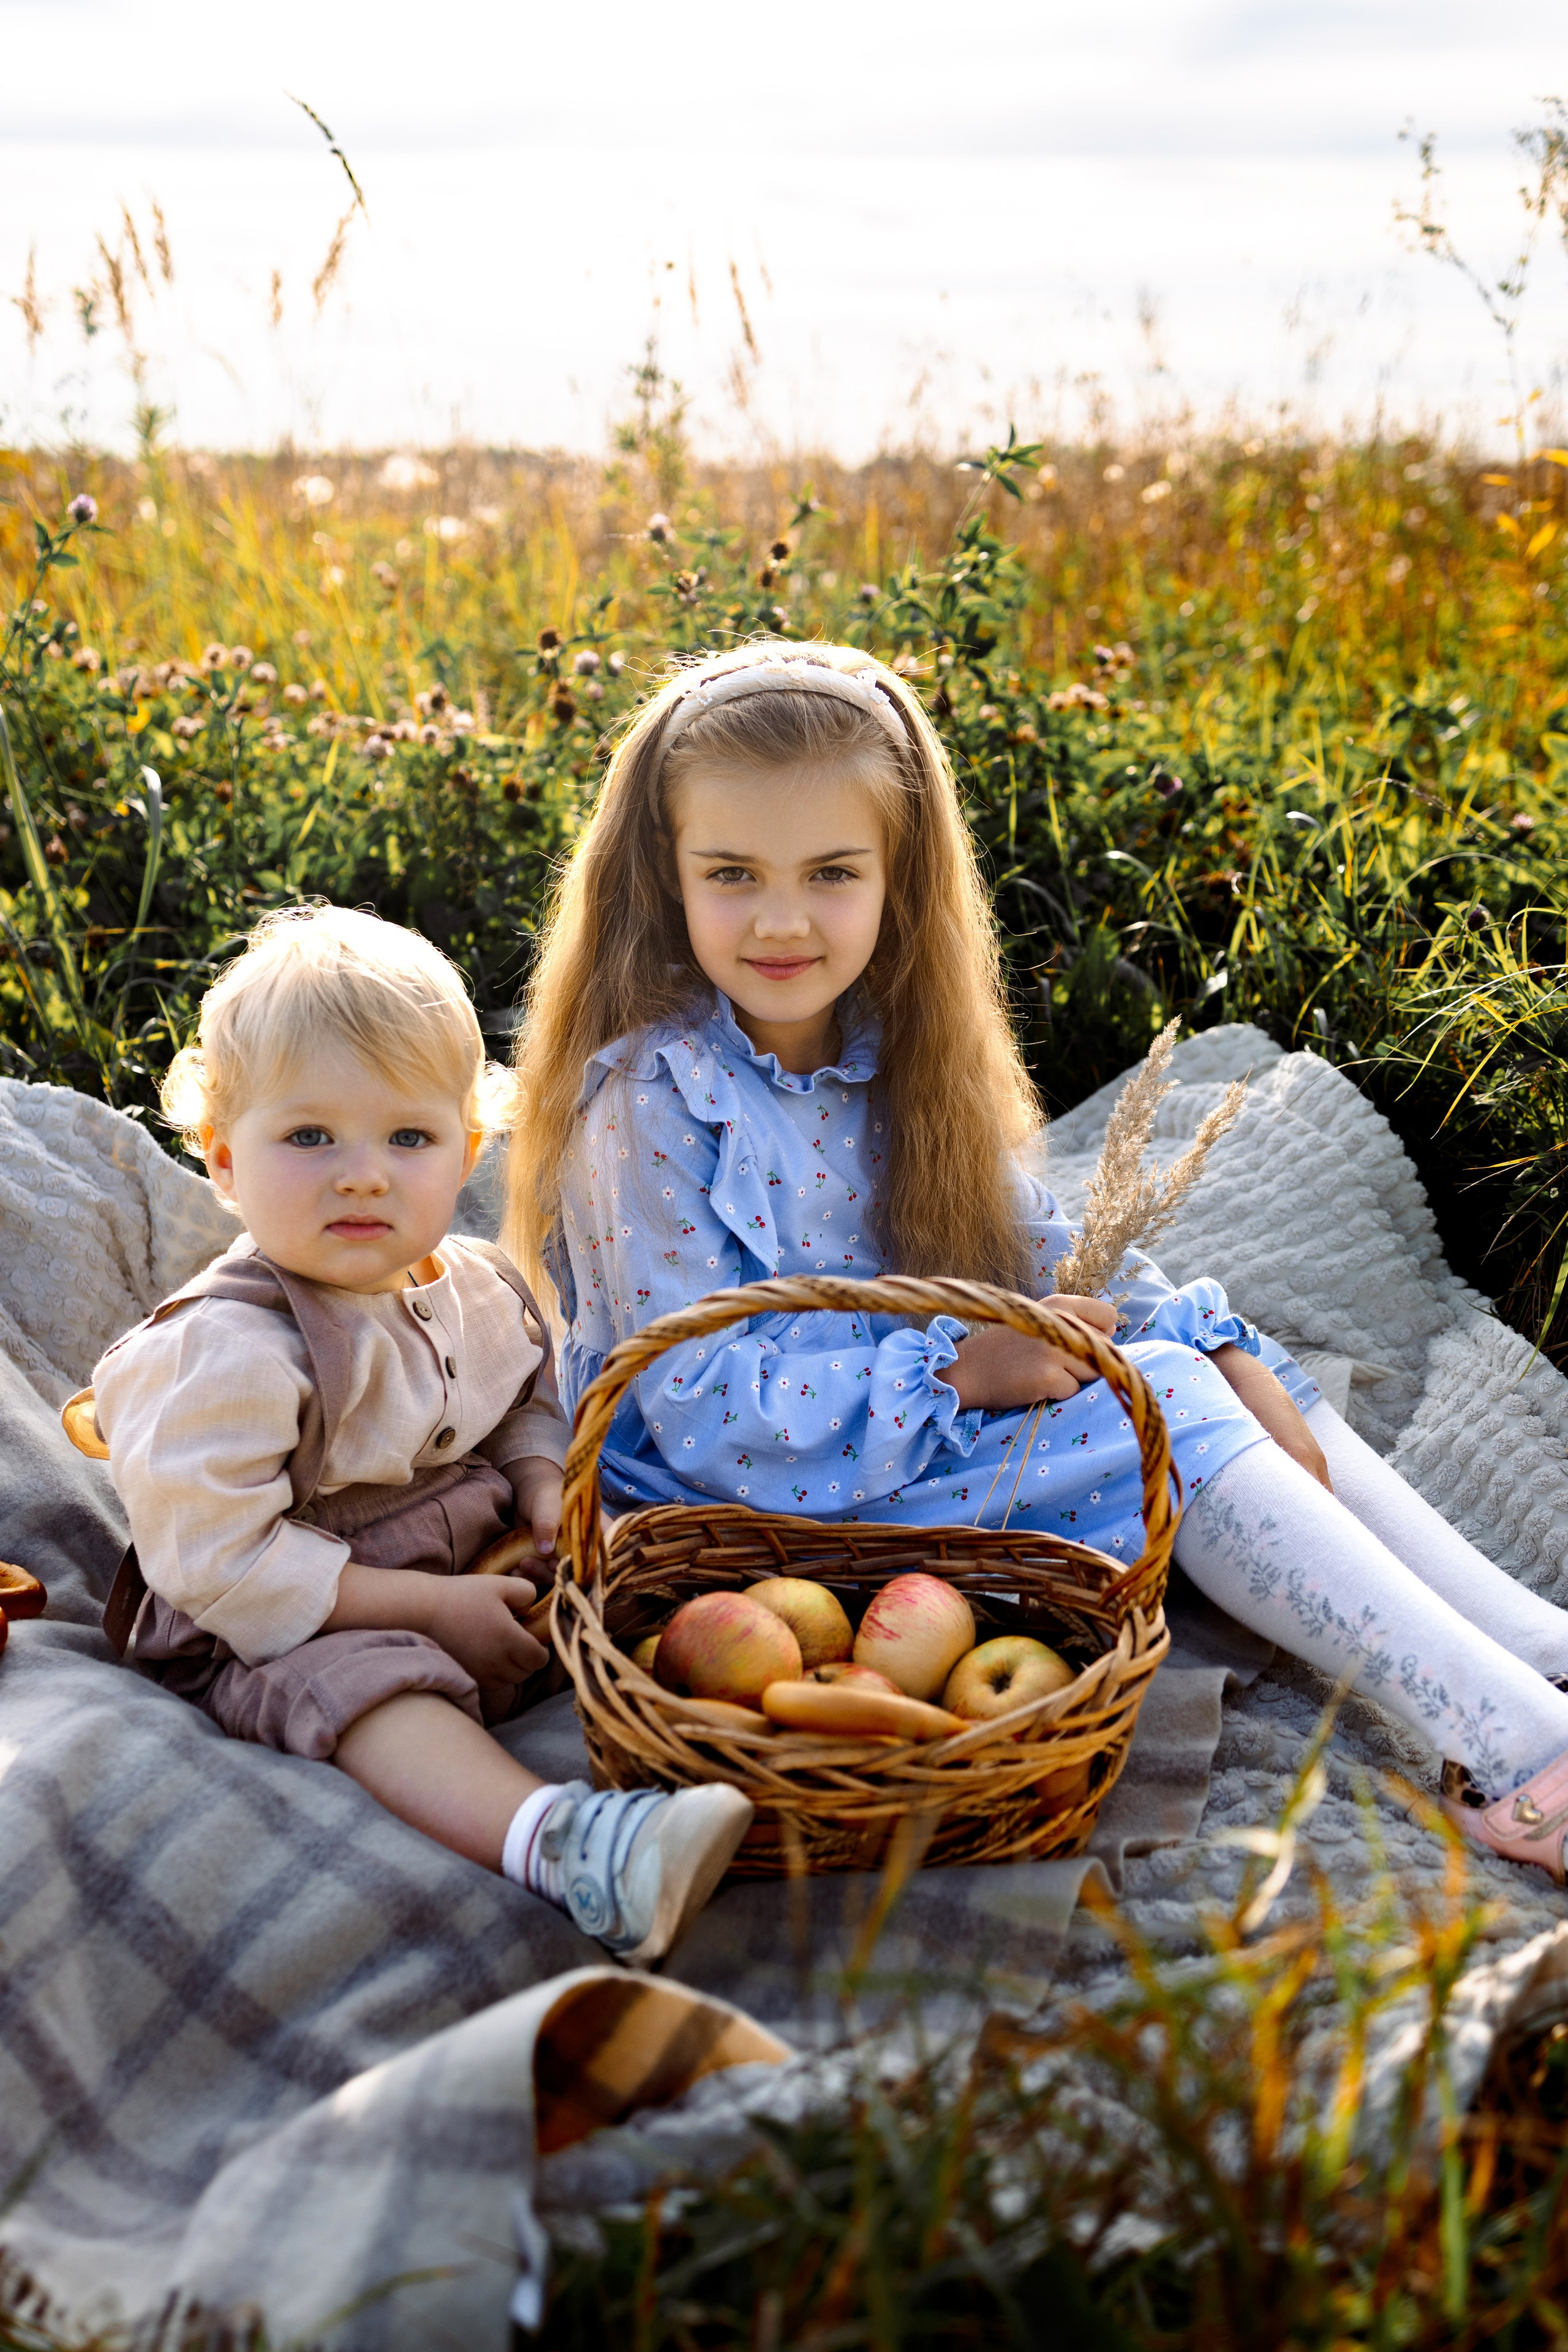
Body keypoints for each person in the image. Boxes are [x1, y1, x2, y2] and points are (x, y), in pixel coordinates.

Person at [507, 639, 1568, 1885]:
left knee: (1192, 1363)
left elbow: (1043, 1244)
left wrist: (1222, 1342)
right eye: (730, 873)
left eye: (832, 873)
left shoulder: (892, 1045)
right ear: (663, 878)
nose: (782, 918)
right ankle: (1519, 1746)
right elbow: (690, 1397)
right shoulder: (647, 1098)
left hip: (895, 1435)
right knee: (1160, 1407)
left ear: (897, 881)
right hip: (746, 1494)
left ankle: (1538, 1649)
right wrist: (959, 1368)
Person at [91, 906, 751, 1963]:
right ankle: (569, 1847)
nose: (364, 1173)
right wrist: (428, 1606)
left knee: (641, 1566)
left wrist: (543, 1491)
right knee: (374, 1691)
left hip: (477, 1574)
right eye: (310, 1137)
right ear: (221, 1159)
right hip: (298, 1620)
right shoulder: (229, 1353)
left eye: (409, 1137)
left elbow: (523, 1397)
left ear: (467, 1151)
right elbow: (222, 1566)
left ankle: (760, 1748)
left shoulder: (478, 1285)